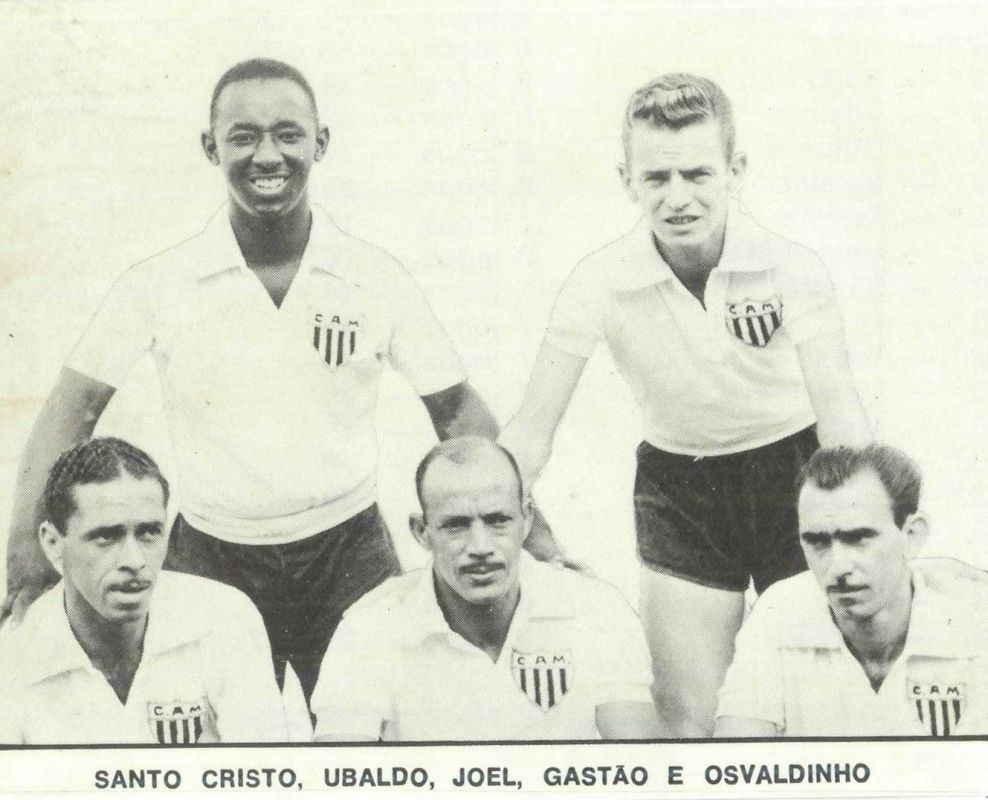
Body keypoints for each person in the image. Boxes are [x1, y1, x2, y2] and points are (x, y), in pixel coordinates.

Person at [4, 58, 562, 702]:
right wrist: (24, 556)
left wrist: (539, 537)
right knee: (210, 741)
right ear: (210, 147)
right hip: (211, 554)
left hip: (350, 554)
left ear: (320, 142)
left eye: (288, 134)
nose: (267, 155)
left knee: (383, 730)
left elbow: (457, 412)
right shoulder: (158, 282)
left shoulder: (373, 275)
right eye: (243, 136)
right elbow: (71, 411)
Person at [500, 73, 872, 736]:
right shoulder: (597, 280)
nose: (677, 198)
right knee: (689, 720)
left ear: (736, 169)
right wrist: (509, 523)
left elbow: (841, 415)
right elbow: (532, 429)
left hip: (796, 474)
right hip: (681, 488)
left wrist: (865, 524)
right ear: (627, 180)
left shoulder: (792, 267)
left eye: (698, 174)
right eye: (656, 177)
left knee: (824, 703)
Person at [310, 436, 659, 741]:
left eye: (497, 521)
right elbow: (336, 776)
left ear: (527, 519)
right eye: (456, 525)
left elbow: (642, 767)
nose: (480, 547)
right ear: (422, 532)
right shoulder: (368, 629)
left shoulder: (596, 609)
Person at [0, 438, 286, 744]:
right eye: (106, 536)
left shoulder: (225, 619)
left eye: (149, 532)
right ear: (53, 543)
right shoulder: (11, 659)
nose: (135, 561)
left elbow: (263, 768)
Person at [715, 444, 988, 737]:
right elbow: (738, 759)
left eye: (858, 538)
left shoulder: (975, 619)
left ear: (911, 535)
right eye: (817, 542)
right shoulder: (777, 614)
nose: (838, 567)